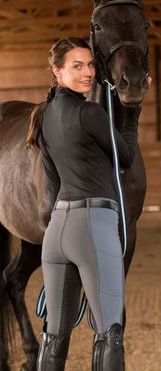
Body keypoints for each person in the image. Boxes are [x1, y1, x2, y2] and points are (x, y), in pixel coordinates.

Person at [26, 37, 151, 371]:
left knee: (54, 333)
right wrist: (134, 111)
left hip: (57, 234)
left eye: (91, 65)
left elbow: (52, 181)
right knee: (109, 330)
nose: (87, 73)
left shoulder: (42, 115)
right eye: (76, 66)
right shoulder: (90, 112)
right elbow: (124, 158)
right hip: (93, 228)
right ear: (57, 71)